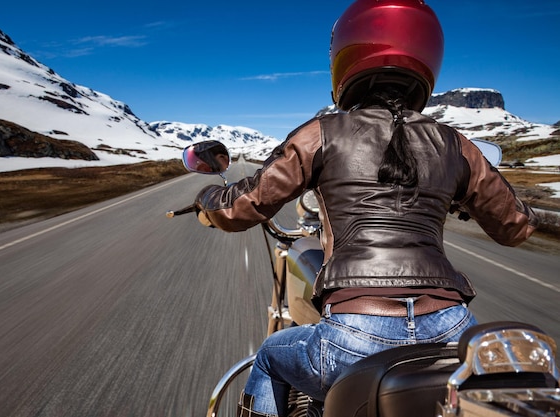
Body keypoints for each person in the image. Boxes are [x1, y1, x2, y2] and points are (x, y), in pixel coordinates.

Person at [194, 1, 539, 416]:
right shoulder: (454, 142)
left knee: (270, 356)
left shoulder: (321, 133)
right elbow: (515, 226)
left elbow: (243, 206)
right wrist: (459, 195)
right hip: (450, 325)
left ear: (346, 55)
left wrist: (208, 203)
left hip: (356, 333)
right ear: (428, 55)